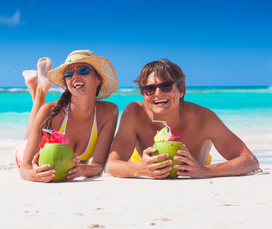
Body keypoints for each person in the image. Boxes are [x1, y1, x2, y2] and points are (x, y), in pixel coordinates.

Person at [105, 59, 259, 179]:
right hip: (142, 161)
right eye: (150, 89)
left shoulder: (204, 118)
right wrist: (140, 168)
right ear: (144, 94)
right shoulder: (135, 112)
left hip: (198, 166)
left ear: (181, 91)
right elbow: (111, 165)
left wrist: (205, 171)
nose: (158, 93)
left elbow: (250, 160)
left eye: (166, 86)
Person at [17, 50, 119, 182]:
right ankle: (40, 90)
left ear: (98, 79)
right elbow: (24, 168)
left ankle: (36, 87)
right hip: (25, 153)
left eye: (83, 70)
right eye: (69, 73)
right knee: (27, 139)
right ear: (67, 84)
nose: (75, 76)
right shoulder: (50, 111)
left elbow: (98, 165)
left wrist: (82, 170)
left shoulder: (109, 112)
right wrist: (35, 175)